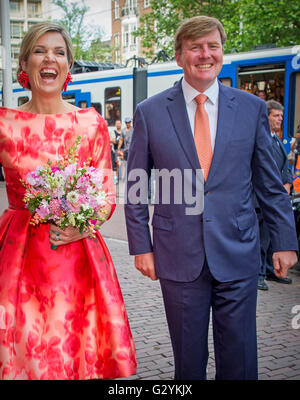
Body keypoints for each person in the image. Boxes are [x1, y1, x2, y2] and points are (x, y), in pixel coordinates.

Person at [124, 16, 298, 380]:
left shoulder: (251, 110)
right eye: (195, 47)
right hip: (177, 255)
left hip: (238, 251)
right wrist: (141, 246)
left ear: (221, 51)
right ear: (179, 55)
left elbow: (269, 185)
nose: (205, 54)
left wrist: (284, 241)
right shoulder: (150, 112)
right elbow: (137, 185)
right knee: (188, 363)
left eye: (212, 46)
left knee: (240, 359)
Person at [0, 22, 136, 380]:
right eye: (40, 51)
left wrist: (82, 228)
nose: (50, 58)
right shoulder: (4, 124)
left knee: (75, 353)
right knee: (23, 353)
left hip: (77, 260)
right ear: (25, 64)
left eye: (59, 52)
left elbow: (106, 193)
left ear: (68, 67)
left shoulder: (90, 124)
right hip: (18, 261)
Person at [257, 100, 294, 290]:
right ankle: (259, 273)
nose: (280, 119)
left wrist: (287, 183)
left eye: (281, 116)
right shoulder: (261, 139)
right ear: (266, 116)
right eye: (276, 116)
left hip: (277, 196)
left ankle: (271, 270)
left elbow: (284, 167)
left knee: (270, 238)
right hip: (260, 200)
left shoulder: (277, 141)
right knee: (261, 239)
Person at [110, 119, 123, 184]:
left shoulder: (123, 131)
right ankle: (116, 178)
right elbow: (113, 141)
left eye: (119, 123)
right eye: (117, 123)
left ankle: (123, 178)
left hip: (123, 149)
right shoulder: (113, 132)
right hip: (115, 150)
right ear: (115, 125)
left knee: (123, 164)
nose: (118, 124)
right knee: (116, 164)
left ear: (121, 124)